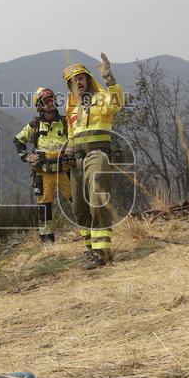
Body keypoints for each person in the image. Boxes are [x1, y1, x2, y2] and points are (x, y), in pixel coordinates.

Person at [63, 53, 124, 269]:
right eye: (73, 81)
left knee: (98, 200)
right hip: (77, 163)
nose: (78, 83)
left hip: (98, 156)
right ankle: (90, 250)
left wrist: (109, 79)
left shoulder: (101, 99)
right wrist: (69, 152)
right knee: (79, 208)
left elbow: (117, 104)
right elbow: (71, 136)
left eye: (81, 78)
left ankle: (102, 253)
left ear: (88, 79)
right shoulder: (71, 109)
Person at [14, 87, 72, 243]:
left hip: (64, 170)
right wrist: (26, 156)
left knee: (77, 200)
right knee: (44, 206)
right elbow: (18, 140)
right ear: (39, 105)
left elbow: (76, 139)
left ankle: (89, 232)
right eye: (45, 101)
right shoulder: (35, 124)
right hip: (43, 172)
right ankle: (47, 240)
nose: (49, 103)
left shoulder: (65, 122)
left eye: (51, 99)